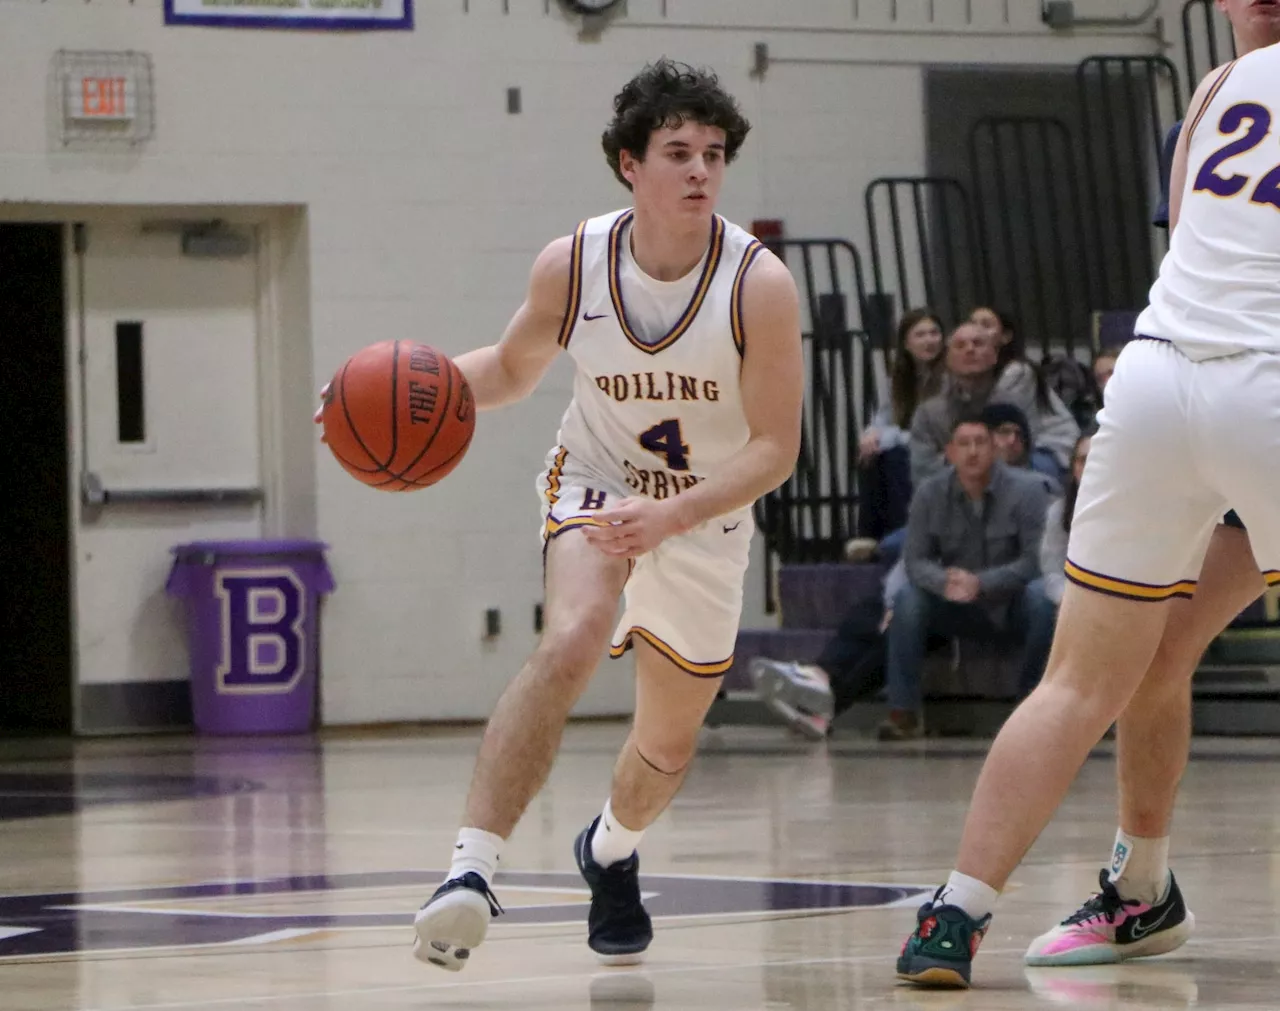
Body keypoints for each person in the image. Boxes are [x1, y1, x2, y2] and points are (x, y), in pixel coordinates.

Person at [896, 5, 1280, 988]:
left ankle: (958, 915)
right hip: (1259, 388)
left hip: (1156, 388)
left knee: (1099, 674)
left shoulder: (1208, 92)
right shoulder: (1213, 89)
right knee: (1126, 667)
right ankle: (1134, 890)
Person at [399, 60, 803, 971]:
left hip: (707, 511)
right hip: (596, 475)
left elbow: (776, 447)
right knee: (572, 633)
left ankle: (609, 847)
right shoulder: (574, 262)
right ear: (630, 164)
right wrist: (399, 383)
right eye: (677, 152)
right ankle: (470, 872)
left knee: (664, 744)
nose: (700, 170)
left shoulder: (759, 284)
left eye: (713, 153)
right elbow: (507, 371)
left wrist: (675, 517)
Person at [1016, 0, 1280, 972]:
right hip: (1208, 403)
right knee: (1148, 655)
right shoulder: (1211, 102)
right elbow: (1192, 274)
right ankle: (1140, 891)